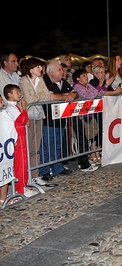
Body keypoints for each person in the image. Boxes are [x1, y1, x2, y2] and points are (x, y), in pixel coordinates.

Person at [19, 57, 67, 186]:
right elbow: (30, 99)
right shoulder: (24, 81)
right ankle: (26, 175)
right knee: (28, 147)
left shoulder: (40, 80)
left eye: (41, 66)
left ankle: (35, 175)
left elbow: (47, 95)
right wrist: (40, 97)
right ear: (31, 69)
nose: (41, 69)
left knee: (36, 147)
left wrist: (39, 97)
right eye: (38, 67)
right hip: (28, 117)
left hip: (39, 116)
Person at [41, 60, 78, 180]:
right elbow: (49, 96)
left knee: (57, 145)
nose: (62, 72)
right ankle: (44, 170)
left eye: (62, 69)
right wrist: (64, 96)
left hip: (61, 119)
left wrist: (72, 95)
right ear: (50, 72)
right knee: (46, 146)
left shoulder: (63, 82)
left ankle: (57, 168)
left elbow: (74, 92)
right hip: (48, 120)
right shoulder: (44, 81)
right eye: (59, 70)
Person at [4, 84, 38, 197]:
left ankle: (23, 184)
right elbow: (21, 120)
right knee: (20, 162)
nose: (20, 94)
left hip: (21, 135)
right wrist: (24, 108)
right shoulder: (11, 108)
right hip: (18, 137)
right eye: (17, 92)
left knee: (23, 161)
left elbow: (23, 120)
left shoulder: (15, 107)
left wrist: (25, 119)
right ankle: (21, 188)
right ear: (9, 95)